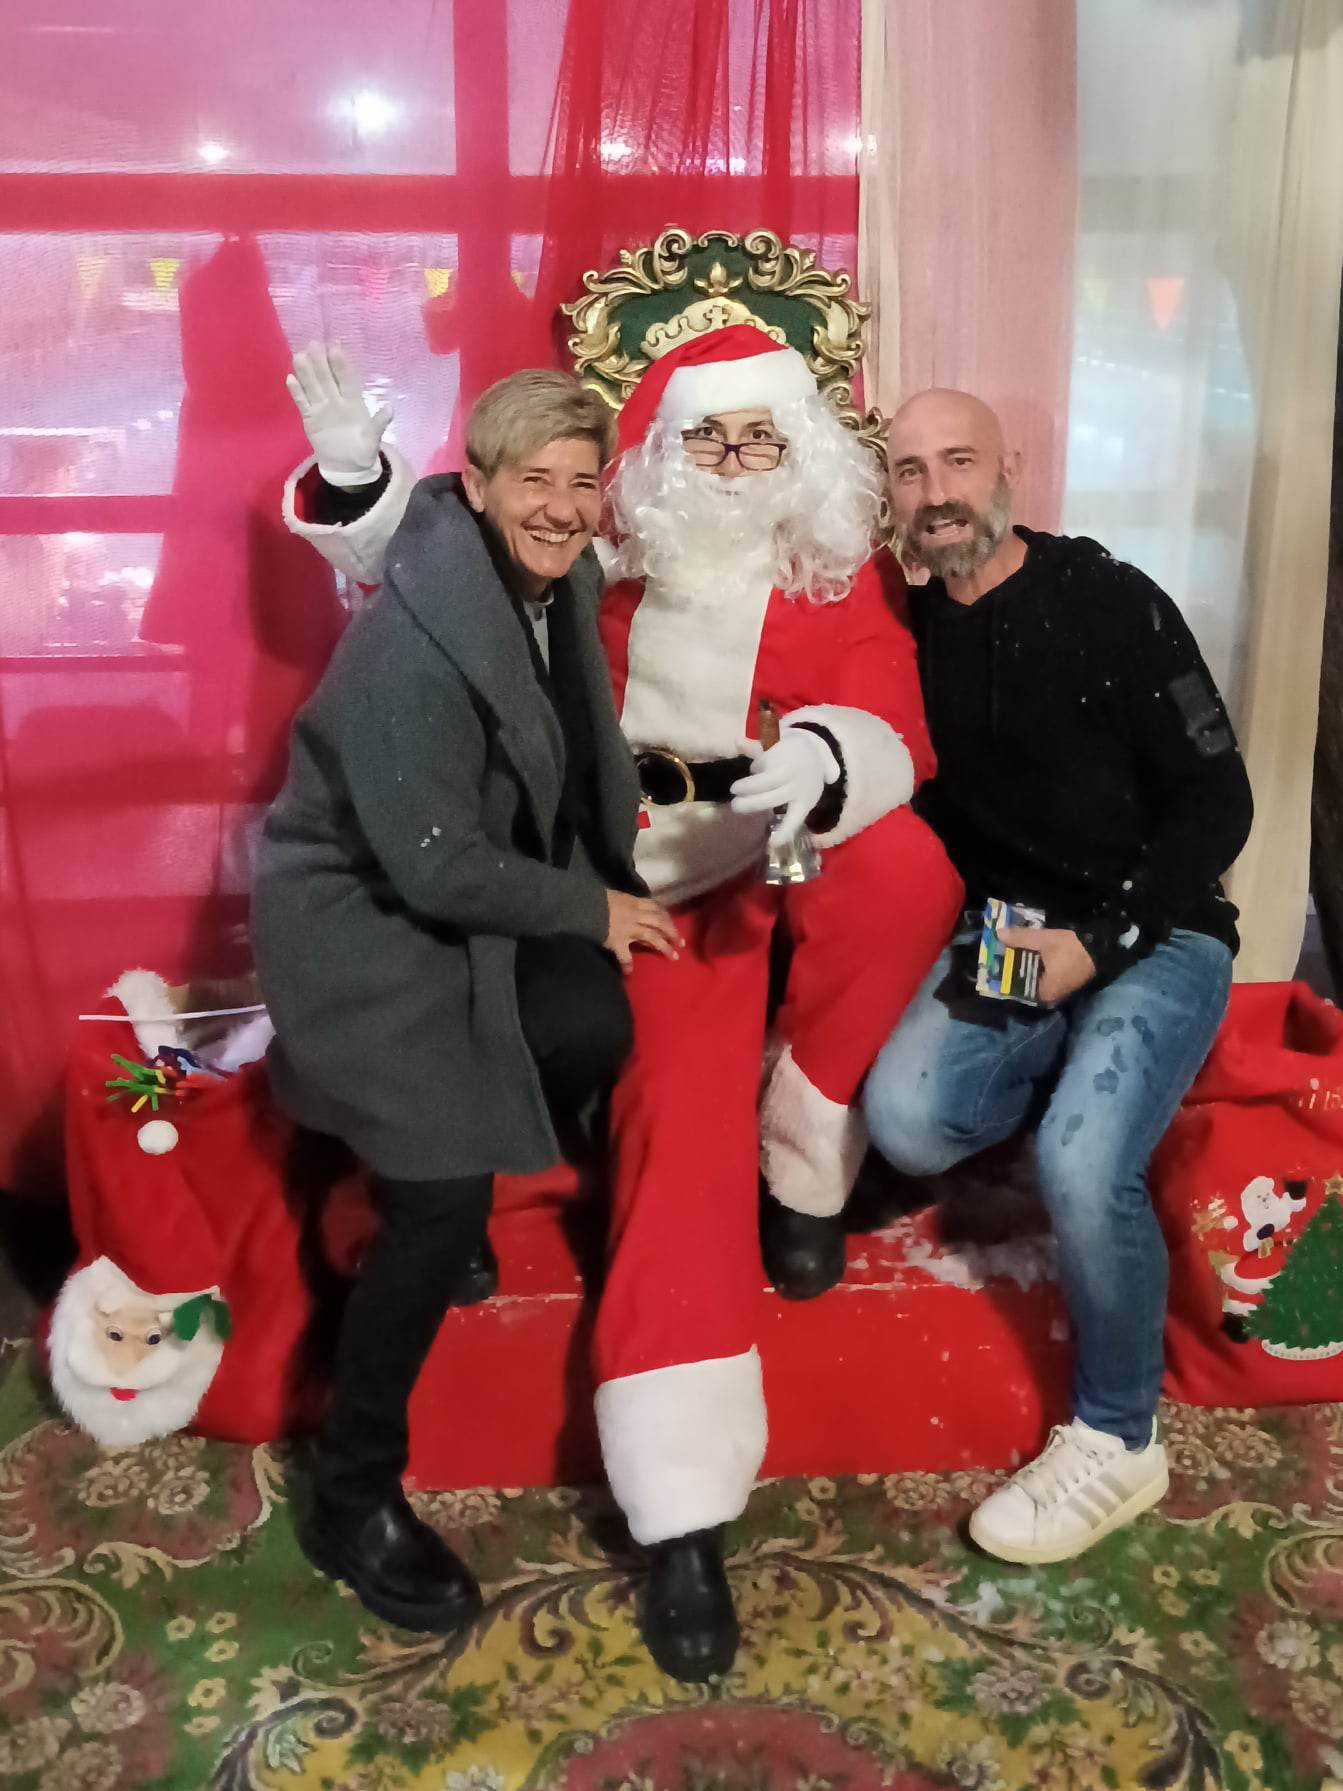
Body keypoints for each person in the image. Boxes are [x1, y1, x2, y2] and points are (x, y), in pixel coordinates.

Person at [280, 328, 961, 1680]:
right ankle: (683, 1515)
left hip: (771, 849)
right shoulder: (603, 548)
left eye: (758, 439)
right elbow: (440, 565)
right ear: (656, 458)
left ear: (797, 452)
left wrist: (827, 761)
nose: (732, 464)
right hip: (626, 879)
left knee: (907, 866)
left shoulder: (831, 572)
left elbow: (890, 712)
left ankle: (803, 1141)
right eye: (705, 438)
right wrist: (355, 483)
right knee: (675, 1132)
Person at [252, 369, 677, 1635]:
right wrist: (592, 908)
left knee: (594, 1024)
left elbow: (556, 760)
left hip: (470, 898)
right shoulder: (412, 642)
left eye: (580, 482)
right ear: (475, 487)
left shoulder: (555, 582)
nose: (560, 506)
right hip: (369, 929)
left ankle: (463, 1150)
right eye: (531, 480)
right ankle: (350, 1492)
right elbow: (433, 863)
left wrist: (621, 864)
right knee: (436, 1204)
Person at [863, 387, 1254, 1566]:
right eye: (908, 472)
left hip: (1156, 929)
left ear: (1008, 469)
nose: (936, 494)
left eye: (957, 462)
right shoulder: (902, 632)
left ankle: (1118, 1437)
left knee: (1082, 1163)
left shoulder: (1109, 600)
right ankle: (1076, 1081)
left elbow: (1217, 800)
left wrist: (1104, 941)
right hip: (1007, 936)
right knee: (903, 1122)